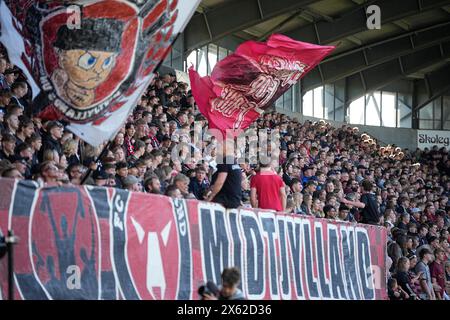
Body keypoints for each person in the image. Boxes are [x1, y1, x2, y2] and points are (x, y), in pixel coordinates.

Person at [205, 140, 242, 209]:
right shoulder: (235, 163)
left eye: (221, 146)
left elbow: (220, 182)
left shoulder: (225, 161)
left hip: (225, 200)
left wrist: (211, 197)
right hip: (235, 200)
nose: (219, 148)